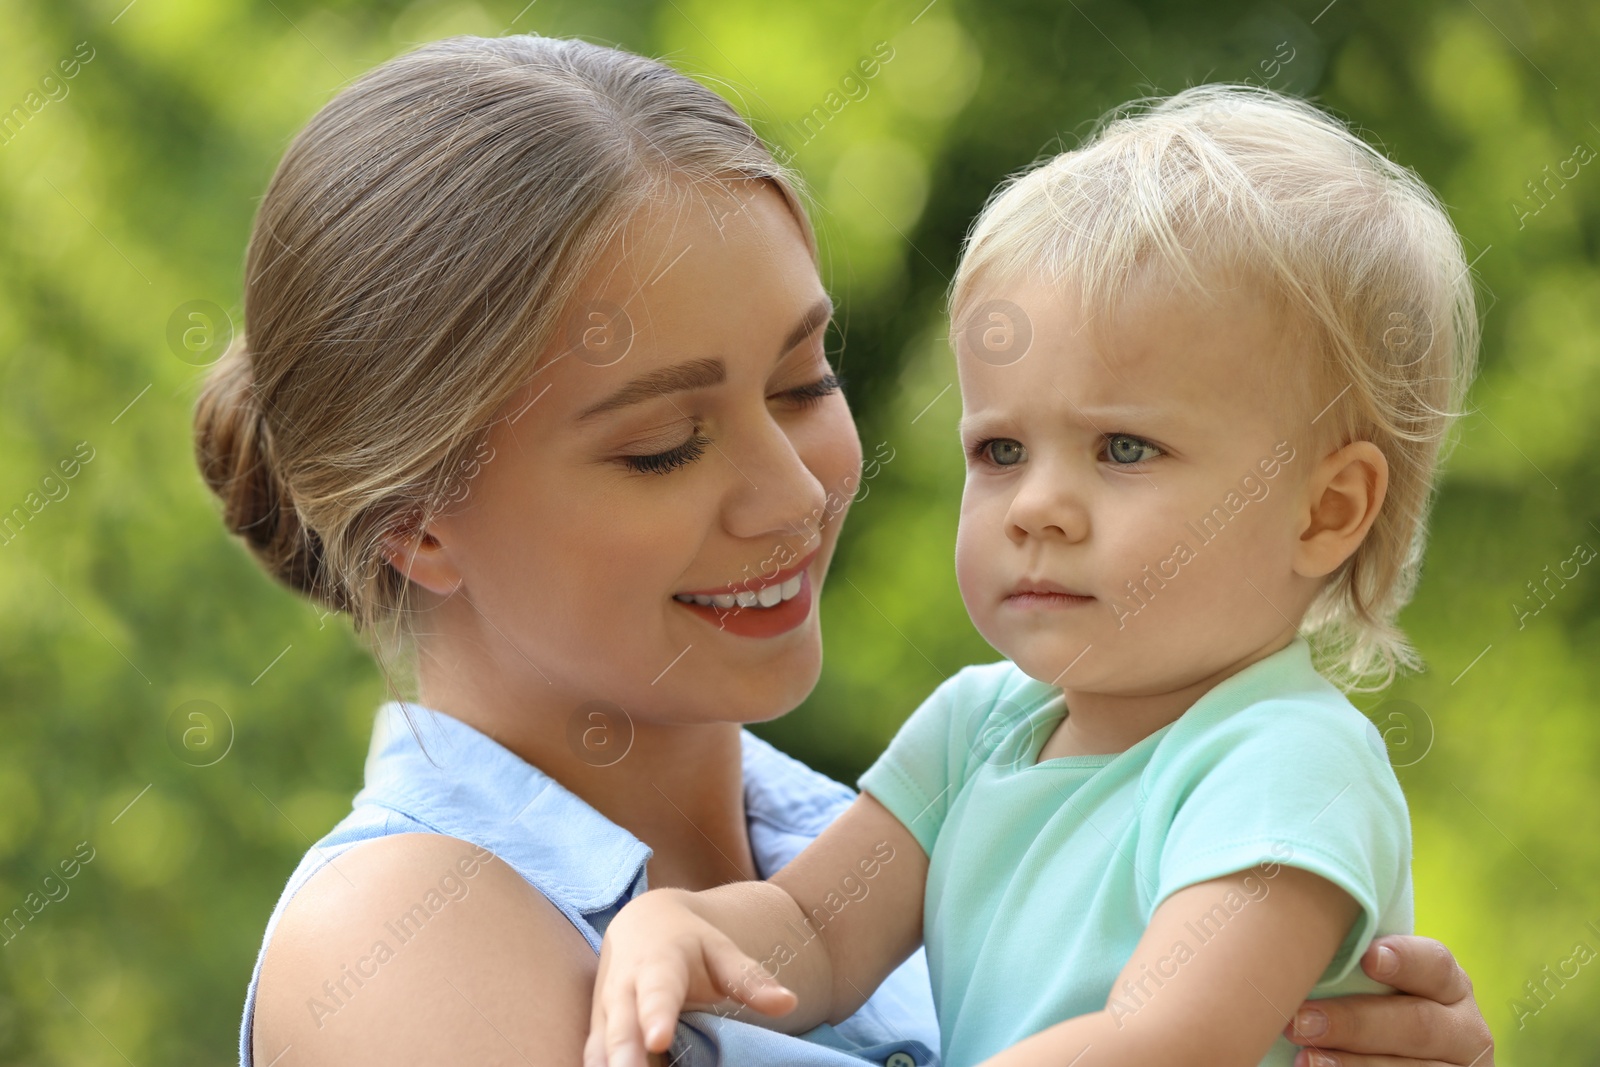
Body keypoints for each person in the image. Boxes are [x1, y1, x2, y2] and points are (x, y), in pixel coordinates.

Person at [191, 36, 1494, 1067]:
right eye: (662, 445)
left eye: (807, 381)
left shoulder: (907, 833)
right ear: (422, 521)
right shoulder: (406, 932)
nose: (793, 490)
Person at [585, 84, 1487, 1067]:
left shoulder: (1283, 760)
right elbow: (817, 930)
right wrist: (677, 931)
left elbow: (1168, 1037)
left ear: (1325, 510)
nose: (1033, 506)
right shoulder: (978, 729)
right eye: (1002, 450)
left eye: (1125, 448)